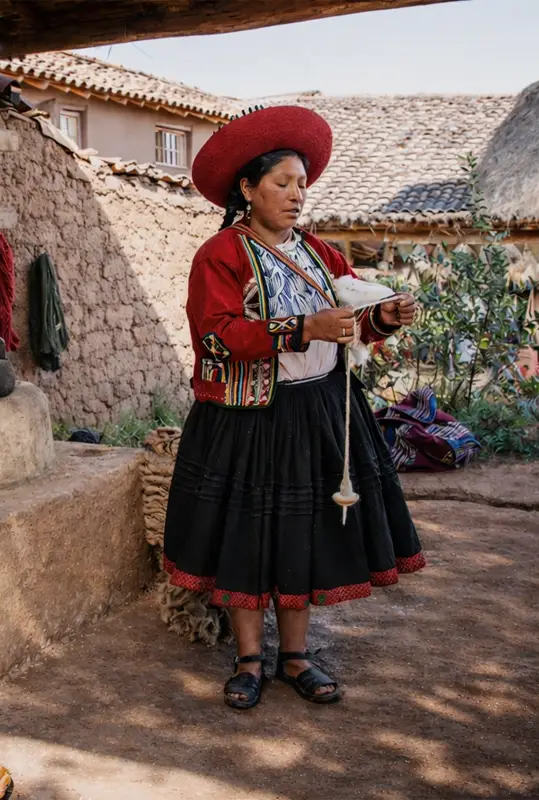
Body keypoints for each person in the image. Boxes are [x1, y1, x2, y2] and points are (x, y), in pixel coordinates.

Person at [163, 106, 425, 709]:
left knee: (304, 530)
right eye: (281, 183)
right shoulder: (221, 255)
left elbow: (348, 317)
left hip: (320, 411)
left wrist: (378, 317)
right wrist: (303, 327)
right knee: (249, 534)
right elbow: (215, 335)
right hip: (249, 417)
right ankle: (250, 659)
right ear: (247, 189)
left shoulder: (321, 255)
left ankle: (297, 657)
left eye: (301, 184)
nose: (295, 195)